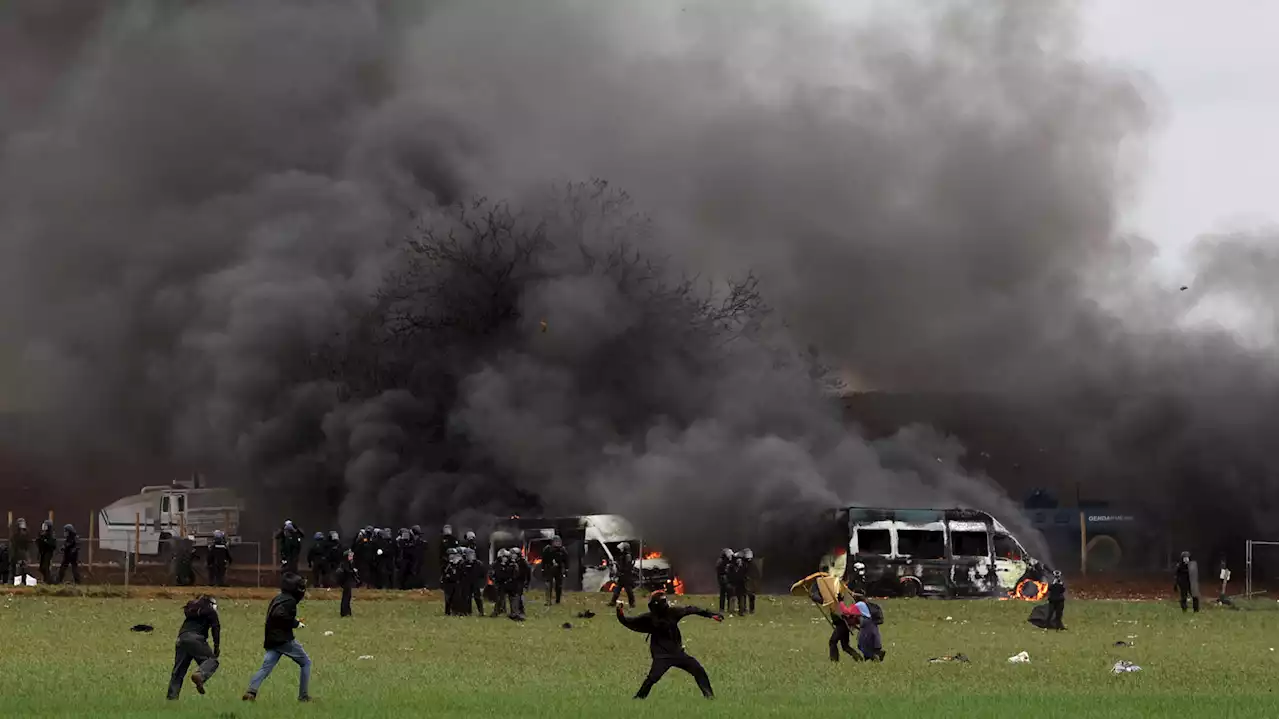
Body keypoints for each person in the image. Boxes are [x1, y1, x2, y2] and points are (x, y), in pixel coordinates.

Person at [617, 591, 722, 699]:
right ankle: (639, 698)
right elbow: (628, 621)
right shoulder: (651, 617)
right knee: (652, 678)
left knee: (698, 670)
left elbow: (691, 609)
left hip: (676, 653)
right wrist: (620, 614)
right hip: (662, 656)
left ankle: (709, 696)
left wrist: (711, 615)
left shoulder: (671, 613)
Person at [243, 573, 311, 702]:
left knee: (266, 667)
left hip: (271, 639)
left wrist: (292, 621)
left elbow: (277, 616)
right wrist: (295, 623)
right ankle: (303, 696)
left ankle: (251, 691)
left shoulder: (279, 598)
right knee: (306, 663)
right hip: (283, 640)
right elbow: (279, 615)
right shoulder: (290, 601)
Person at [167, 594, 221, 700]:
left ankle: (171, 698)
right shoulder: (211, 612)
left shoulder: (192, 610)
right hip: (196, 639)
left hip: (181, 638)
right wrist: (216, 647)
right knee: (212, 661)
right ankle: (200, 675)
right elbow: (216, 629)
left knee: (178, 671)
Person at [542, 536, 569, 605]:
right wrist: (543, 569)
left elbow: (566, 560)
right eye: (556, 541)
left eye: (558, 541)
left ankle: (557, 600)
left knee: (559, 586)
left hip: (558, 569)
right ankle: (548, 601)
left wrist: (566, 569)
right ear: (552, 542)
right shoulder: (547, 549)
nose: (557, 543)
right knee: (548, 585)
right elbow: (543, 560)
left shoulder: (562, 550)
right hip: (549, 568)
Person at [610, 543, 637, 608]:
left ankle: (632, 603)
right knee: (617, 589)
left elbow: (627, 566)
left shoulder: (628, 556)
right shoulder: (623, 555)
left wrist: (620, 569)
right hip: (622, 575)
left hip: (626, 576)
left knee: (628, 590)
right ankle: (613, 602)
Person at [336, 550, 358, 618]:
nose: (352, 557)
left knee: (348, 597)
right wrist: (353, 571)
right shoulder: (344, 563)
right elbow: (347, 571)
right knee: (346, 597)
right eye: (350, 556)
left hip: (348, 582)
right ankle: (344, 612)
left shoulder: (349, 563)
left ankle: (347, 611)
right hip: (346, 582)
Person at [463, 547, 485, 615]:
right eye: (468, 555)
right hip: (467, 583)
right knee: (467, 597)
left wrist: (480, 581)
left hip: (475, 582)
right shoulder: (463, 563)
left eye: (471, 554)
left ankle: (481, 612)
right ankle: (468, 612)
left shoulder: (478, 563)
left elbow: (483, 573)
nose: (470, 556)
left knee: (477, 597)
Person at [9, 518, 31, 583]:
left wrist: (27, 555)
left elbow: (27, 545)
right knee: (13, 568)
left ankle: (23, 582)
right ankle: (12, 581)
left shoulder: (26, 533)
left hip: (23, 552)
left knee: (24, 568)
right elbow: (13, 542)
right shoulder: (15, 534)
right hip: (16, 552)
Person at [741, 548, 760, 614]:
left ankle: (751, 609)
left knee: (751, 596)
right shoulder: (743, 563)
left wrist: (754, 579)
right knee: (743, 596)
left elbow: (756, 573)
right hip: (744, 581)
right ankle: (744, 608)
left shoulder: (752, 564)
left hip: (750, 582)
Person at [715, 548, 733, 614]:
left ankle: (728, 609)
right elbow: (719, 570)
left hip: (726, 579)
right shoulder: (721, 562)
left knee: (728, 595)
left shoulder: (726, 561)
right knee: (724, 595)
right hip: (723, 580)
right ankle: (722, 609)